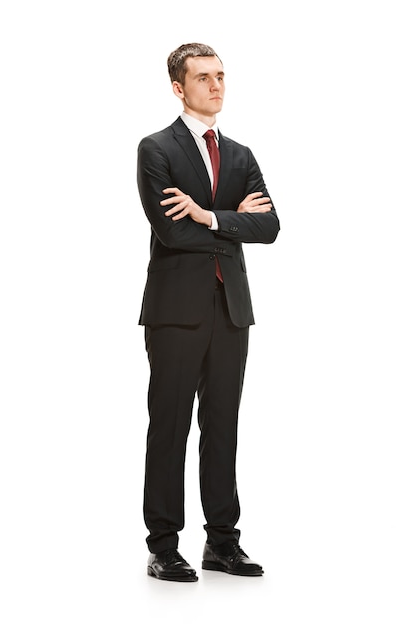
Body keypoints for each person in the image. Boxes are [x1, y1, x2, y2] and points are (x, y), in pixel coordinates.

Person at [136, 43, 280, 582]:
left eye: (220, 75)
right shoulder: (156, 149)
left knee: (223, 425)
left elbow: (269, 227)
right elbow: (171, 231)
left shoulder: (240, 154)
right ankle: (163, 546)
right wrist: (228, 220)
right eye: (203, 77)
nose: (216, 85)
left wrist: (208, 217)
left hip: (230, 310)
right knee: (169, 427)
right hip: (175, 312)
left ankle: (222, 542)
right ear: (179, 87)